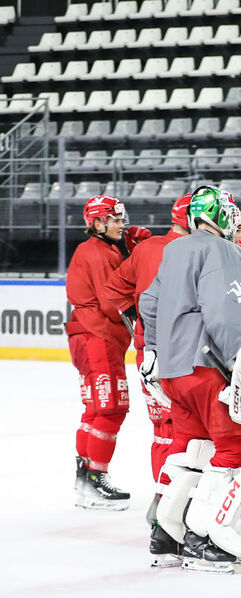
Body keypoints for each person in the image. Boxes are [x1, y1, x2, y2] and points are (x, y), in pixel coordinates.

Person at [139, 186, 241, 572]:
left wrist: (157, 349)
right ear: (221, 216)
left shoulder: (174, 249)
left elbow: (148, 303)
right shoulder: (224, 251)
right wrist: (238, 363)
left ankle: (167, 535)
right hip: (210, 369)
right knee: (231, 451)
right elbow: (226, 313)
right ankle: (207, 538)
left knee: (189, 449)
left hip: (176, 372)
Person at [103, 194, 190, 539]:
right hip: (185, 355)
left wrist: (138, 320)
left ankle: (162, 500)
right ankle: (178, 507)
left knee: (162, 432)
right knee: (190, 432)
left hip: (148, 357)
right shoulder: (200, 251)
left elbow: (115, 289)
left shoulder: (146, 247)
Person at [66, 195, 133, 510]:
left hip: (88, 336)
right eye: (115, 219)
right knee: (111, 409)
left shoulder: (95, 249)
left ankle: (85, 478)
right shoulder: (100, 253)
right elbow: (112, 303)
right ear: (97, 222)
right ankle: (95, 477)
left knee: (94, 409)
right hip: (98, 337)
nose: (122, 225)